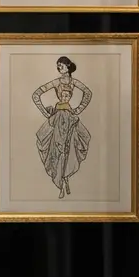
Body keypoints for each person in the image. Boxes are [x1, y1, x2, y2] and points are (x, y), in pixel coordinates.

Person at [32, 56, 92, 198]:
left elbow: (88, 93)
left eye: (61, 66)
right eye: (58, 66)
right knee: (58, 149)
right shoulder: (56, 82)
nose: (59, 68)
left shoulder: (74, 82)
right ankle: (61, 183)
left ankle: (66, 178)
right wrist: (45, 112)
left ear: (68, 66)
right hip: (58, 118)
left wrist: (78, 109)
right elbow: (36, 94)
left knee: (73, 146)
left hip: (70, 117)